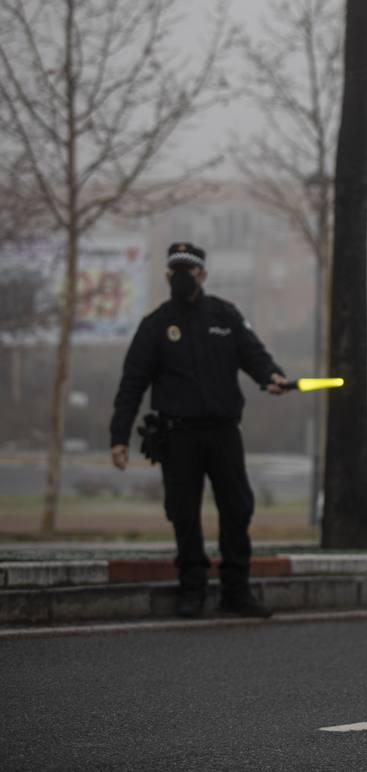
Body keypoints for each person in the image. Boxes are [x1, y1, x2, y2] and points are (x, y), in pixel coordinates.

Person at [110, 242, 290, 618]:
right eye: (175, 270)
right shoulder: (156, 325)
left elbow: (253, 353)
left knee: (238, 508)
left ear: (203, 275)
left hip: (224, 432)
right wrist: (119, 437)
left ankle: (236, 592)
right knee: (183, 512)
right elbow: (132, 384)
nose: (182, 277)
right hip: (178, 436)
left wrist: (270, 375)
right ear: (166, 276)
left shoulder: (225, 315)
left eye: (189, 270)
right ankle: (192, 589)